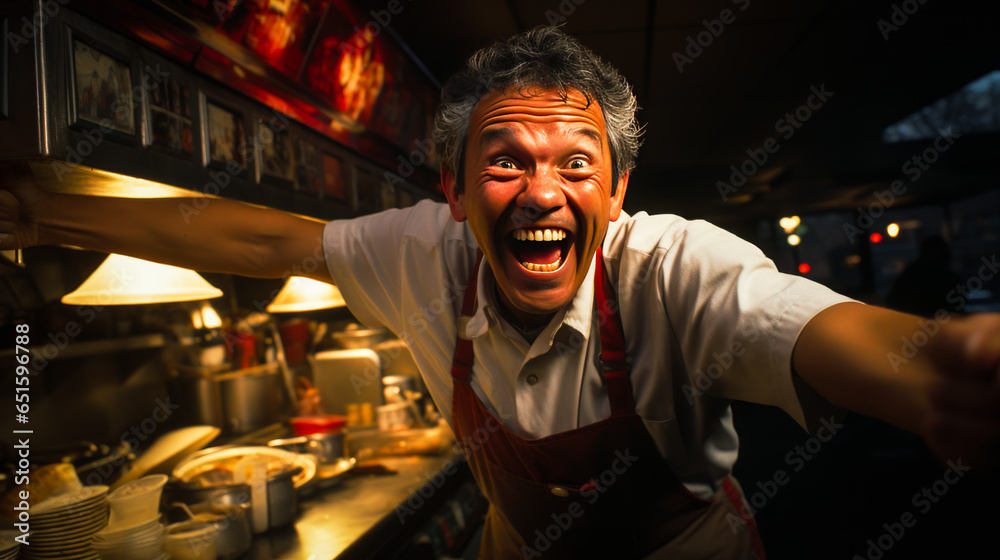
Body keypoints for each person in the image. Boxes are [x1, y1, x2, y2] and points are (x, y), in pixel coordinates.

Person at [1, 26, 998, 560]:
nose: (542, 192)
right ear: (455, 189)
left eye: (576, 162)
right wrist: (44, 214)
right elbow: (265, 236)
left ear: (616, 192)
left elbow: (799, 320)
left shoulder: (671, 267)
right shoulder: (418, 251)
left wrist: (930, 370)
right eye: (506, 159)